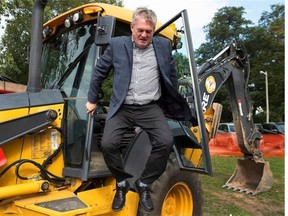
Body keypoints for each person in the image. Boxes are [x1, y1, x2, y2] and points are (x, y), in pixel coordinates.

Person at [86, 7, 195, 212]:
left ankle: (144, 184)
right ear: (132, 28)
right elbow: (100, 71)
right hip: (123, 107)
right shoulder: (117, 45)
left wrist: (171, 101)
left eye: (149, 31)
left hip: (150, 107)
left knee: (165, 142)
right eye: (141, 30)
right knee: (108, 144)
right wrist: (92, 100)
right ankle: (121, 183)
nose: (144, 34)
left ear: (153, 31)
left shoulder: (163, 46)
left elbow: (171, 77)